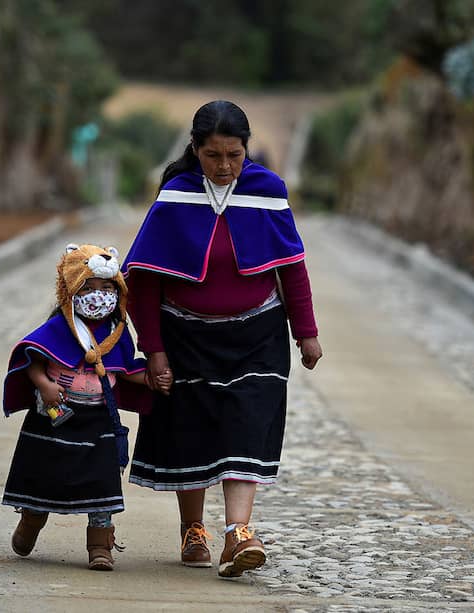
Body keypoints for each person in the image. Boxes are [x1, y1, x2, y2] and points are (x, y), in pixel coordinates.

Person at [122, 100, 323, 578]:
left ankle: (238, 532)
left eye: (234, 154)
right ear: (195, 149)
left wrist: (306, 332)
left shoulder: (268, 191)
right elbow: (144, 281)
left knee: (247, 422)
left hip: (257, 333)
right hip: (185, 334)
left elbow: (292, 267)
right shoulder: (176, 194)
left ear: (246, 148)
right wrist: (154, 350)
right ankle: (194, 529)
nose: (225, 166)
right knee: (189, 429)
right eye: (213, 155)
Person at [0, 243, 170, 571]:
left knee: (102, 484)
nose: (98, 296)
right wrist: (45, 385)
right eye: (89, 288)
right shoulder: (58, 327)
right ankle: (31, 521)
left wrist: (151, 379)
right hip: (54, 420)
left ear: (118, 291)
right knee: (43, 478)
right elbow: (33, 360)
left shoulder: (116, 333)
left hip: (98, 421)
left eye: (107, 288)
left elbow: (123, 370)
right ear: (71, 290)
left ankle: (100, 547)